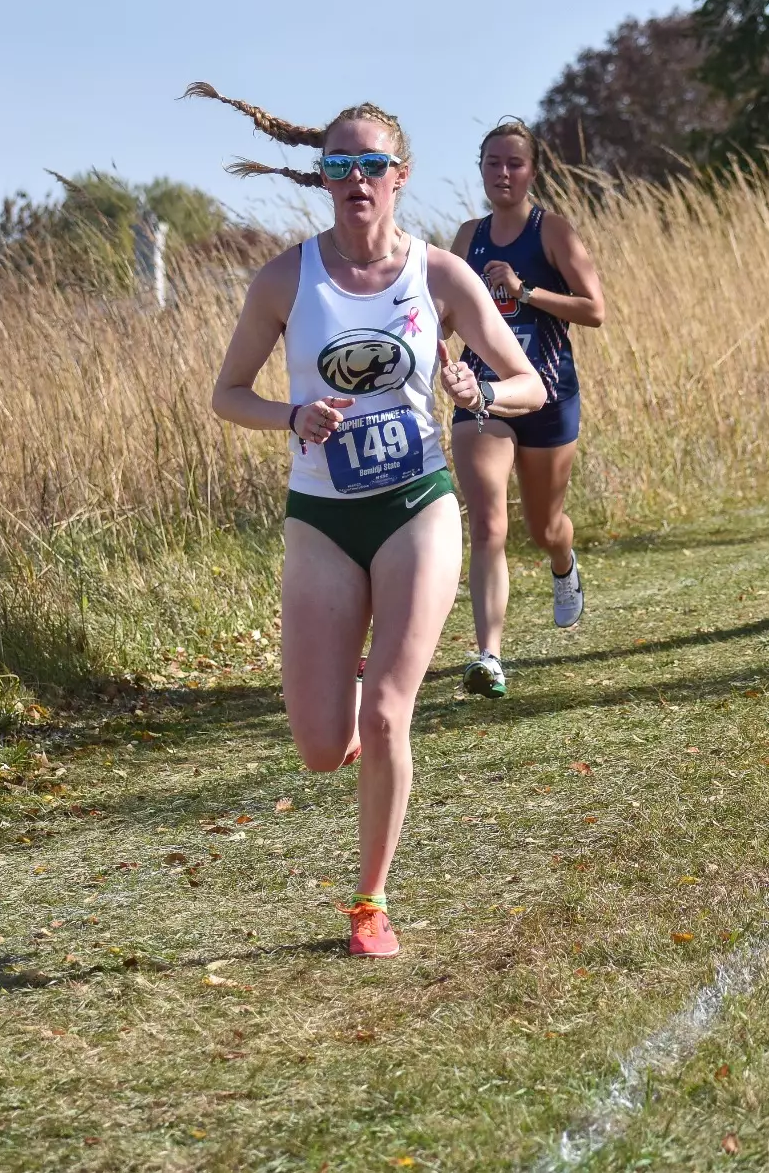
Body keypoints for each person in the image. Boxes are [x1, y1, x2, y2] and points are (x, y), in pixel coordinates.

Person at [191, 82, 545, 958]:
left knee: (389, 714)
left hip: (416, 506)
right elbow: (226, 395)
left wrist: (478, 390)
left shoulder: (441, 274)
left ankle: (370, 904)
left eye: (371, 165)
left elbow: (532, 386)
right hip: (320, 515)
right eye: (339, 164)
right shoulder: (286, 278)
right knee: (321, 747)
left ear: (400, 176)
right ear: (323, 178)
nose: (355, 178)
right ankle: (349, 680)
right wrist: (289, 416)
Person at [449, 119, 606, 698]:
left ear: (532, 171)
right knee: (488, 523)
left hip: (548, 393)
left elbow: (594, 310)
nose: (504, 173)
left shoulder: (552, 231)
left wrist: (523, 290)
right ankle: (488, 655)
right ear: (482, 169)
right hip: (484, 394)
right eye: (493, 163)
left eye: (515, 163)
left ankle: (563, 564)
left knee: (544, 528)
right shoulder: (468, 236)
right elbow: (446, 312)